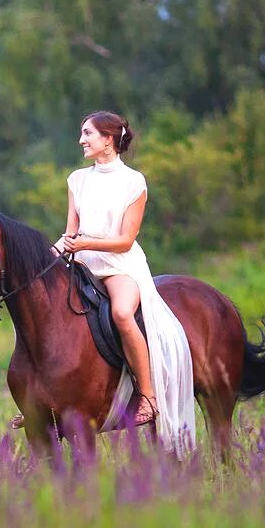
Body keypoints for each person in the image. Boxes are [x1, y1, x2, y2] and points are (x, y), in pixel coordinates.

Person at [50, 110, 196, 453]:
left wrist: (84, 243)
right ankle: (46, 396)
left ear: (108, 139)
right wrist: (53, 252)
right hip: (82, 264)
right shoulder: (77, 180)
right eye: (82, 133)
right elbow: (70, 231)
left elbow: (125, 241)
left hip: (118, 265)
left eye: (87, 133)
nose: (81, 140)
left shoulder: (134, 182)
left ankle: (147, 395)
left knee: (121, 314)